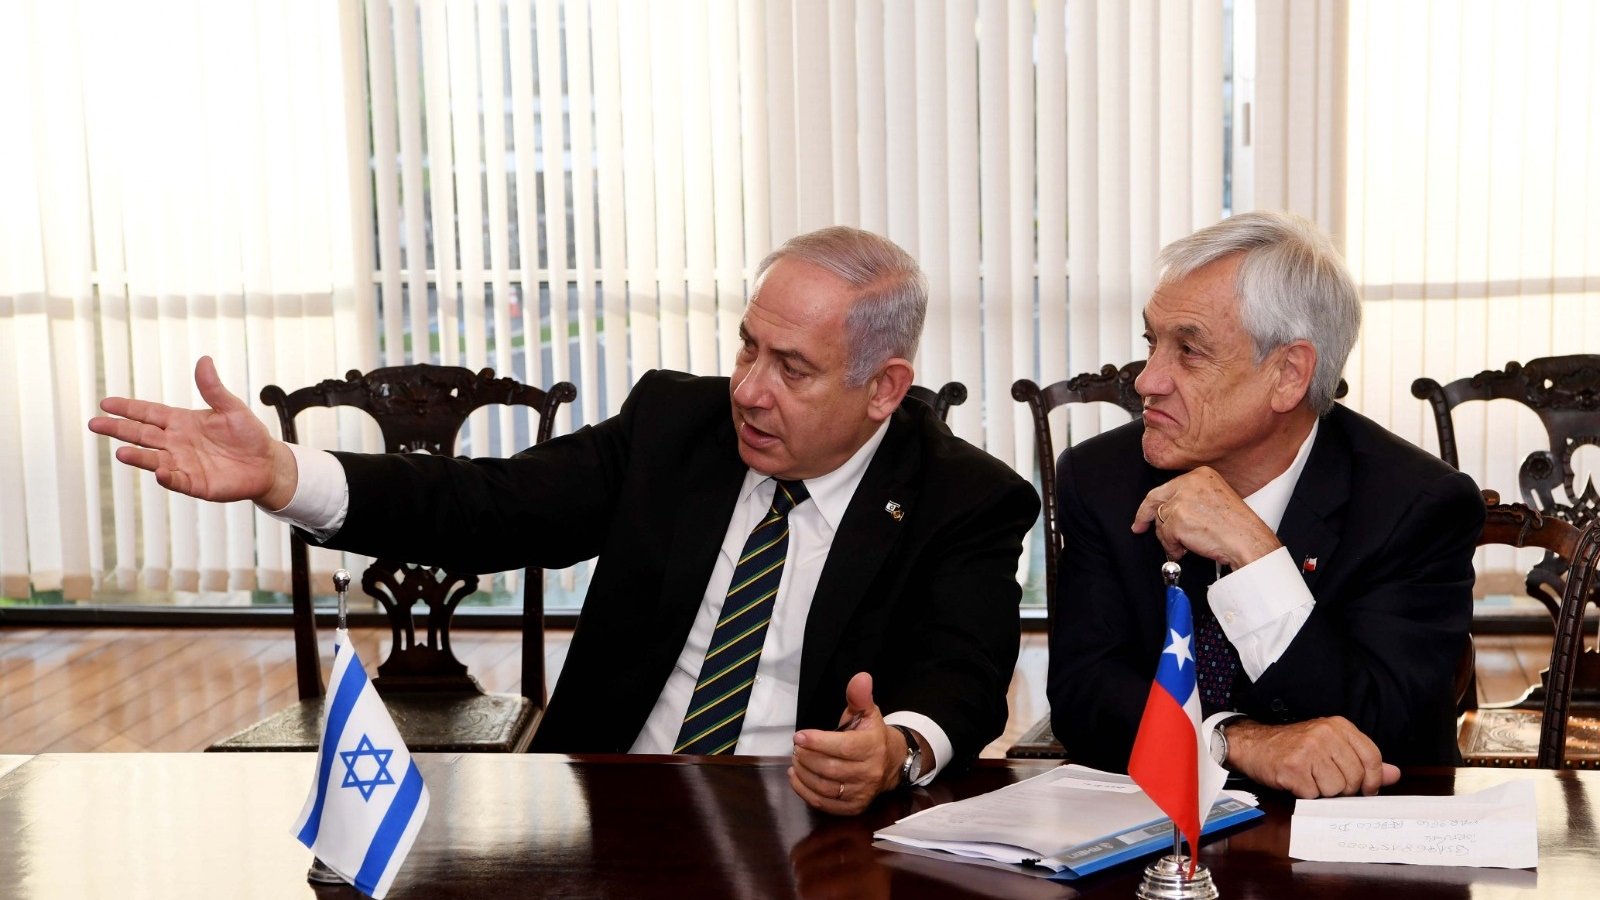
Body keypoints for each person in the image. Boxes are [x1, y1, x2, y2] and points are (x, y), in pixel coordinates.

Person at [90, 226, 1040, 815]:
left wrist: (896, 749)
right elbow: (486, 507)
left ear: (885, 389)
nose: (747, 390)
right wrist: (284, 473)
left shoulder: (967, 497)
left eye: (791, 369)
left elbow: (961, 676)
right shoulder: (679, 425)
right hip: (612, 806)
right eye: (747, 346)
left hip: (808, 832)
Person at [1047, 210, 1482, 799]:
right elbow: (1083, 696)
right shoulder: (1101, 478)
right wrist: (1237, 743)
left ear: (1288, 374)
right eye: (1152, 343)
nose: (1146, 380)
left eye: (1190, 351)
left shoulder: (1415, 504)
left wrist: (1255, 553)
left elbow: (1384, 733)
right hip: (1157, 839)